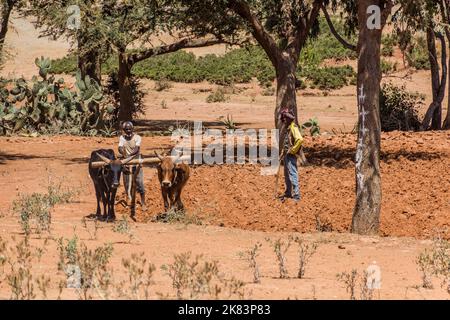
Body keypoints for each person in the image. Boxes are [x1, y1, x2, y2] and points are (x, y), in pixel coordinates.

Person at [118, 121, 147, 211]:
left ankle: (143, 203)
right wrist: (124, 154)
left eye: (130, 129)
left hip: (136, 163)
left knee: (140, 183)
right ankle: (129, 201)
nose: (128, 131)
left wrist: (129, 156)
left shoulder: (137, 137)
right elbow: (120, 148)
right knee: (127, 184)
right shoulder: (122, 138)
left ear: (133, 129)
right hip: (126, 163)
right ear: (124, 130)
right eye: (126, 129)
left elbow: (136, 148)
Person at [279, 108, 303, 203]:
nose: (283, 120)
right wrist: (282, 153)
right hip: (286, 155)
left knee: (292, 173)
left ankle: (296, 195)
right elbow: (286, 143)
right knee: (287, 174)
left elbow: (300, 140)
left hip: (291, 155)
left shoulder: (293, 127)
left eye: (285, 118)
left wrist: (292, 150)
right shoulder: (288, 128)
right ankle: (288, 192)